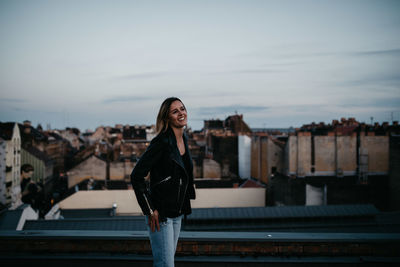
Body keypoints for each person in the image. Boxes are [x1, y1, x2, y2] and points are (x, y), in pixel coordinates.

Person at [131, 97, 196, 267]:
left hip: (177, 212)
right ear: (167, 118)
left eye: (182, 108)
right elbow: (136, 175)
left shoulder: (184, 139)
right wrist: (150, 209)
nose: (181, 113)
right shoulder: (160, 143)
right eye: (175, 111)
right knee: (165, 264)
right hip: (161, 214)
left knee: (167, 262)